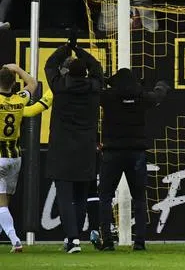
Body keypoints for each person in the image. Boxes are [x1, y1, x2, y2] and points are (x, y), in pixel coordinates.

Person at [96, 67, 170, 251]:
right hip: (136, 153)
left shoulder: (108, 97)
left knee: (105, 197)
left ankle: (107, 241)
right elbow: (157, 96)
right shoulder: (141, 97)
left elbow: (95, 92)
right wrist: (161, 85)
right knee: (139, 198)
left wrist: (98, 77)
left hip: (112, 152)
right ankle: (140, 242)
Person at [45, 37, 104, 254]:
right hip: (85, 148)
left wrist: (67, 47)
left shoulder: (60, 87)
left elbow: (50, 64)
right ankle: (75, 238)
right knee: (80, 196)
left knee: (65, 197)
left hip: (62, 149)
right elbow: (97, 68)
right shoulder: (94, 88)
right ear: (86, 72)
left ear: (67, 72)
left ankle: (72, 239)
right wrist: (79, 50)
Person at [0, 63, 49, 252]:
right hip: (15, 157)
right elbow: (33, 84)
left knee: (1, 203)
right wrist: (18, 70)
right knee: (5, 200)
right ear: (14, 84)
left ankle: (15, 241)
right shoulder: (19, 99)